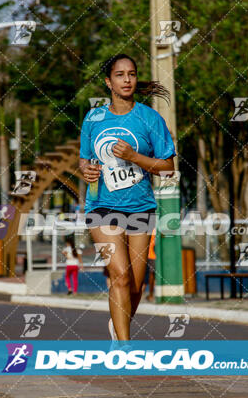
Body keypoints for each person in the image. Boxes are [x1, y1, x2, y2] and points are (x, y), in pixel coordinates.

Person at [79, 53, 176, 346]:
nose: (127, 80)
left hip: (140, 207)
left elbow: (168, 167)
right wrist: (86, 170)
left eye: (131, 74)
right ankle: (123, 345)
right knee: (119, 276)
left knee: (136, 284)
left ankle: (117, 324)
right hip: (101, 205)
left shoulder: (149, 118)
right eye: (120, 75)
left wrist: (134, 157)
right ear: (109, 82)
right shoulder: (94, 117)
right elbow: (83, 161)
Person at [142, 228, 156, 302]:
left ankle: (151, 295)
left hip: (152, 256)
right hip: (150, 256)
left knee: (151, 276)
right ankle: (150, 295)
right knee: (150, 276)